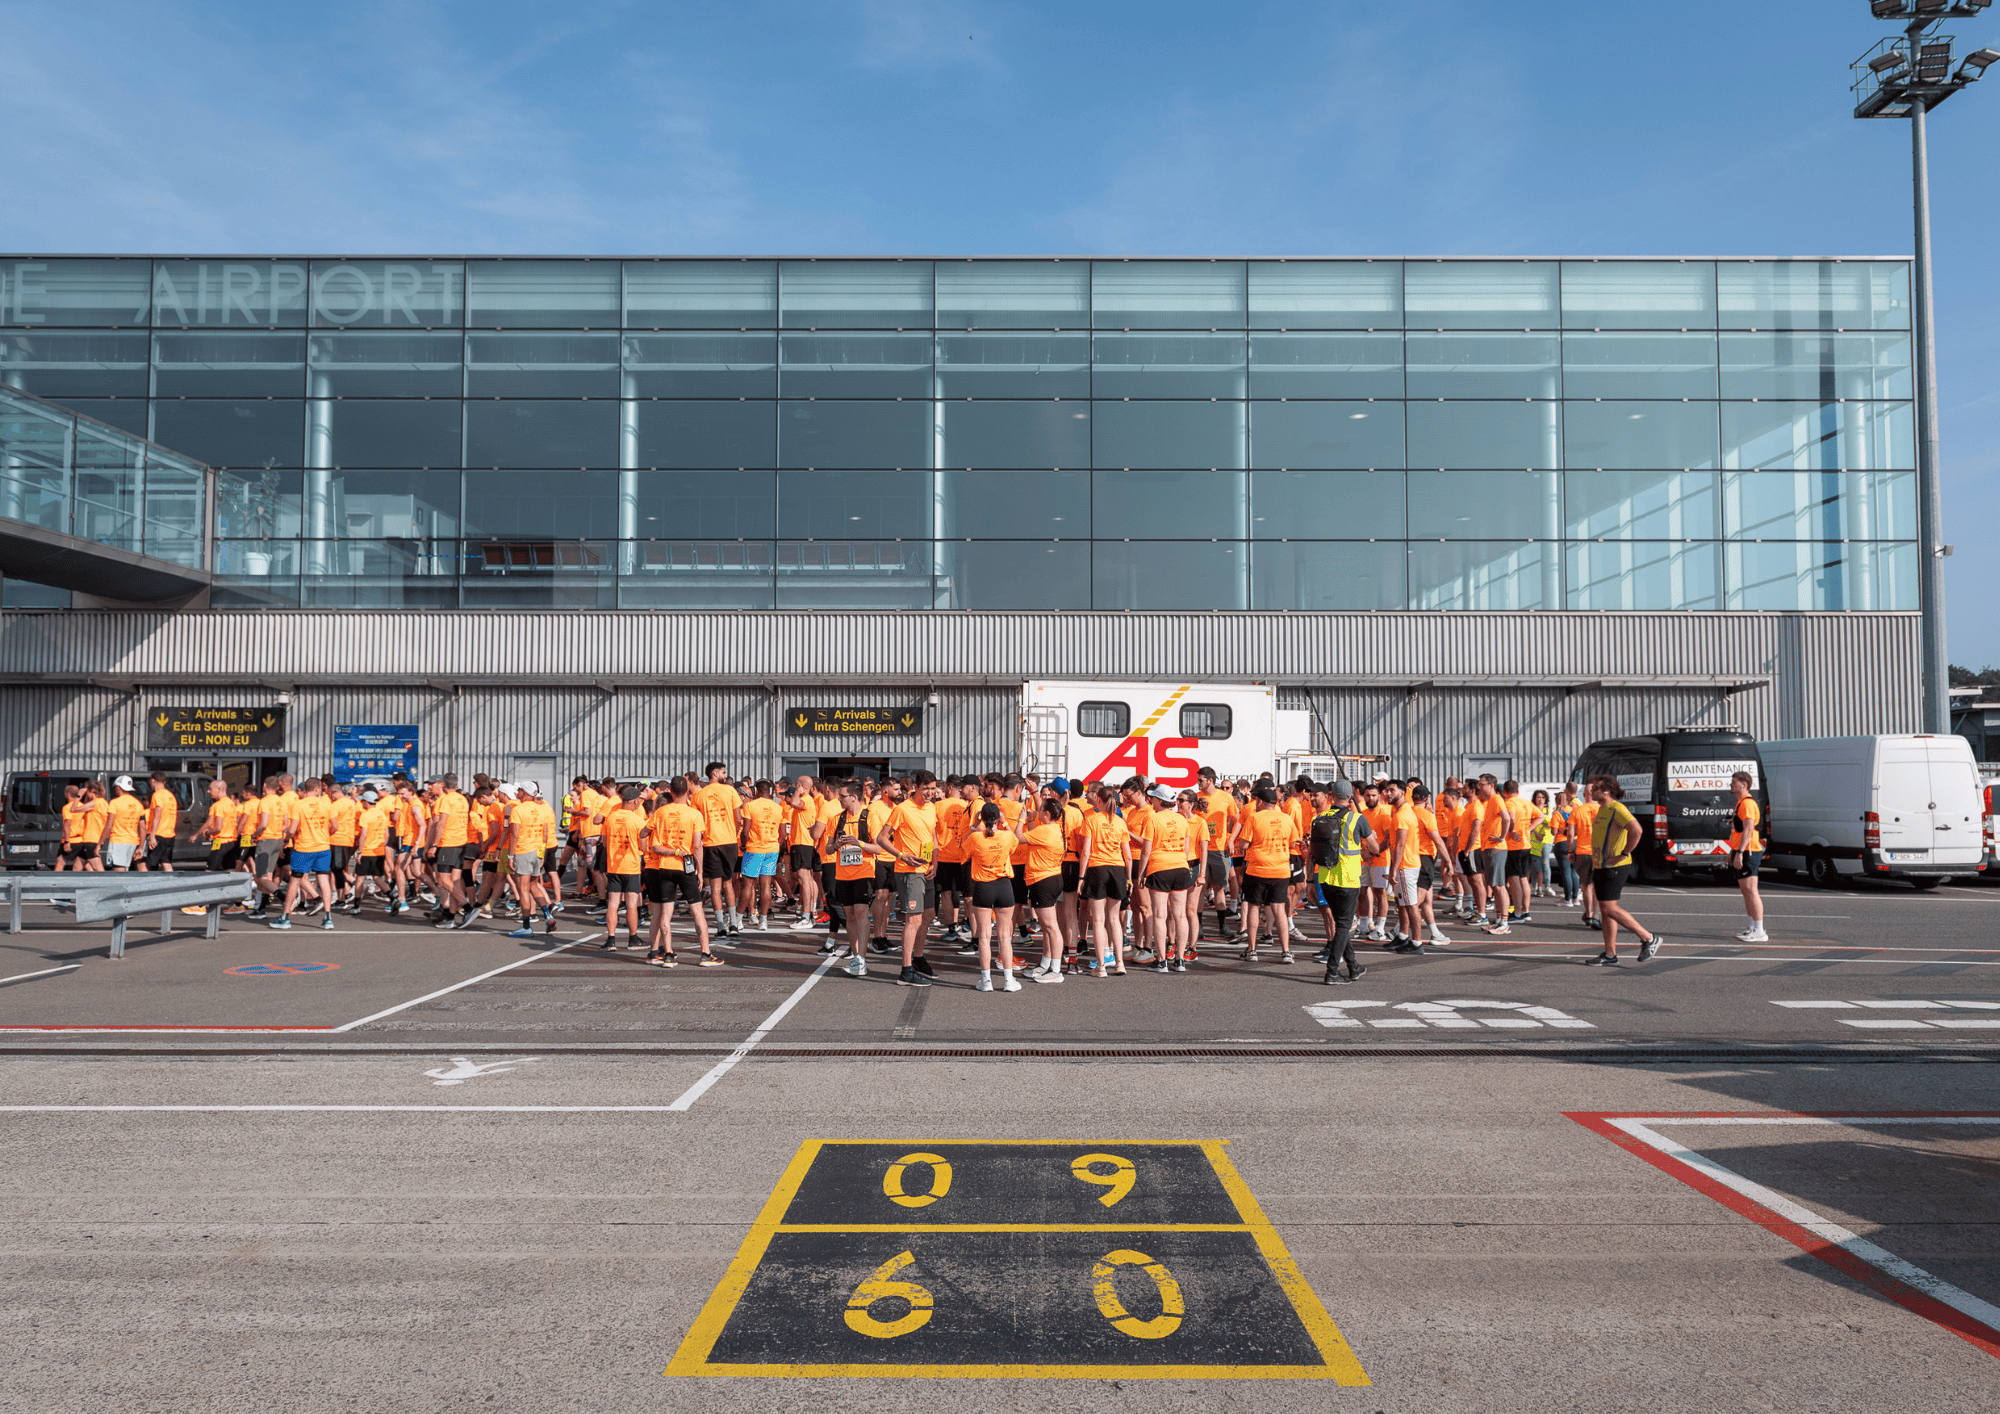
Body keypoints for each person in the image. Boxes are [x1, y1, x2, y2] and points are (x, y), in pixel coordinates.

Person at [1586, 776, 1663, 965]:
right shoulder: (1603, 809)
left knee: (1609, 908)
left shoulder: (1617, 808)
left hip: (1615, 866)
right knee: (1606, 911)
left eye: (1596, 788)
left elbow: (1636, 830)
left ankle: (1648, 938)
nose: (1591, 791)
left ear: (1606, 791)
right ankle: (1610, 954)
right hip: (1601, 865)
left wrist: (1623, 853)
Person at [639, 777, 714, 964]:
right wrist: (700, 871)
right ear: (688, 790)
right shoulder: (694, 814)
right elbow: (697, 846)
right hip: (686, 864)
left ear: (670, 791)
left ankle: (669, 954)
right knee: (697, 909)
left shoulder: (661, 812)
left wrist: (644, 849)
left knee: (665, 912)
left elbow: (643, 832)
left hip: (664, 865)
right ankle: (705, 954)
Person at [1309, 780, 1370, 984]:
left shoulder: (1319, 818)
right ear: (1351, 798)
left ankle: (1353, 966)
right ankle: (1332, 971)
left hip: (1325, 878)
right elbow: (1376, 849)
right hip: (1348, 879)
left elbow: (1311, 853)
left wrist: (1310, 880)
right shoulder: (1357, 819)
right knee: (1343, 925)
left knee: (1340, 923)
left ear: (1331, 796)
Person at [883, 772, 941, 987]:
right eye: (926, 788)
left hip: (927, 868)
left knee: (928, 915)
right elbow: (881, 838)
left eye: (933, 788)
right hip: (908, 870)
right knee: (913, 919)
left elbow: (933, 838)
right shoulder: (902, 809)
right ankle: (905, 971)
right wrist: (901, 855)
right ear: (915, 787)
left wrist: (934, 863)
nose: (930, 792)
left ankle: (918, 959)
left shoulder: (932, 807)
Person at [1236, 785, 1300, 964]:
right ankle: (1286, 951)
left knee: (1254, 907)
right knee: (1279, 908)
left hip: (1257, 868)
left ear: (1261, 802)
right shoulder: (1286, 819)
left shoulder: (1254, 818)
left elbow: (1243, 845)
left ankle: (1252, 949)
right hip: (1280, 869)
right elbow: (1293, 844)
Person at [963, 801, 1023, 991]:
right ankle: (1008, 980)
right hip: (1004, 886)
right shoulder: (1006, 836)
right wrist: (1005, 824)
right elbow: (1014, 844)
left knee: (984, 936)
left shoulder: (975, 838)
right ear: (998, 818)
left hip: (983, 887)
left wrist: (972, 829)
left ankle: (986, 981)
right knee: (1005, 937)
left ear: (982, 818)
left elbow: (962, 853)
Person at [1135, 783, 1194, 974]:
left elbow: (1146, 850)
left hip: (1160, 867)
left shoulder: (1153, 818)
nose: (1151, 801)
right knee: (1180, 915)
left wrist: (1141, 873)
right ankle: (1180, 960)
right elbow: (1186, 849)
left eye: (1153, 798)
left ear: (1159, 800)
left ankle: (1161, 961)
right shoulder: (1182, 819)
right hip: (1180, 866)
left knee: (1160, 915)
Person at [270, 777, 336, 930]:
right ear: (318, 789)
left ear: (305, 790)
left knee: (295, 881)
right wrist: (325, 835)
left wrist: (286, 840)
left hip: (304, 848)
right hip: (323, 847)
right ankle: (328, 918)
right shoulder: (327, 805)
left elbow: (292, 830)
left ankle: (285, 918)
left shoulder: (298, 805)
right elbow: (335, 826)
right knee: (324, 881)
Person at [1080, 785, 1132, 977]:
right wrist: (1128, 878)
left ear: (1098, 800)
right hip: (1117, 869)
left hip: (1097, 868)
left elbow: (1085, 852)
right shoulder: (1120, 822)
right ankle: (1119, 964)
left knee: (1099, 920)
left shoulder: (1091, 819)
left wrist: (1081, 877)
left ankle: (1101, 967)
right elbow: (1128, 855)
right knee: (1114, 920)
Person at [692, 763, 745, 940]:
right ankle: (733, 924)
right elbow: (738, 818)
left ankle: (721, 926)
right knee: (728, 883)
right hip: (729, 842)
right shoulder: (730, 791)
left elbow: (695, 821)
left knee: (715, 886)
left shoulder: (699, 794)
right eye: (723, 771)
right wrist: (732, 832)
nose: (725, 774)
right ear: (715, 773)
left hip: (710, 843)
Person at [597, 784, 648, 949]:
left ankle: (611, 939)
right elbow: (643, 847)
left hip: (614, 866)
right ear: (633, 801)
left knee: (613, 903)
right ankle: (633, 939)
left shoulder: (610, 818)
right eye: (638, 800)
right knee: (632, 904)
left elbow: (604, 842)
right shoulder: (638, 821)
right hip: (631, 866)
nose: (640, 802)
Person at [739, 779, 785, 931]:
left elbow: (745, 831)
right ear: (770, 792)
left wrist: (744, 845)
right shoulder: (778, 808)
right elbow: (783, 834)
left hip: (754, 848)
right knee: (766, 885)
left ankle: (738, 920)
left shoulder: (750, 806)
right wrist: (775, 844)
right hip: (771, 849)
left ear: (757, 791)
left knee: (748, 885)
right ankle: (763, 921)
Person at [1727, 770, 1768, 943]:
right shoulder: (1740, 803)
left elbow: (1748, 830)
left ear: (1743, 785)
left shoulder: (1748, 804)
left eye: (1733, 782)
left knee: (1751, 890)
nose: (1730, 784)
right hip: (1742, 849)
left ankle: (1760, 930)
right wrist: (1732, 851)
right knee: (1746, 891)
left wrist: (1740, 852)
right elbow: (1737, 832)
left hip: (1750, 851)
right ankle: (1752, 927)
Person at [346, 789, 392, 914]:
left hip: (367, 852)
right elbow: (387, 834)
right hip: (379, 851)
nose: (361, 803)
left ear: (366, 802)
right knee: (377, 878)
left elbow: (363, 835)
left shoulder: (365, 815)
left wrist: (359, 852)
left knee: (360, 879)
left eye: (362, 801)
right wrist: (381, 845)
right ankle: (393, 898)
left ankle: (356, 907)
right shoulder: (381, 814)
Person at [98, 775, 147, 872]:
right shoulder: (138, 804)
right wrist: (141, 847)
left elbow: (109, 824)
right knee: (126, 870)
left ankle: (119, 887)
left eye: (115, 788)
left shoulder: (115, 802)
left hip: (118, 841)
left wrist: (101, 842)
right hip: (133, 842)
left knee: (118, 871)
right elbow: (142, 828)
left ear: (118, 788)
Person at [139, 771, 178, 872]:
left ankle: (147, 885)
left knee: (148, 863)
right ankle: (174, 884)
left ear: (153, 781)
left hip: (159, 834)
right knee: (166, 862)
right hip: (169, 835)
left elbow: (157, 816)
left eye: (150, 782)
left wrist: (152, 836)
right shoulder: (171, 796)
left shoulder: (157, 795)